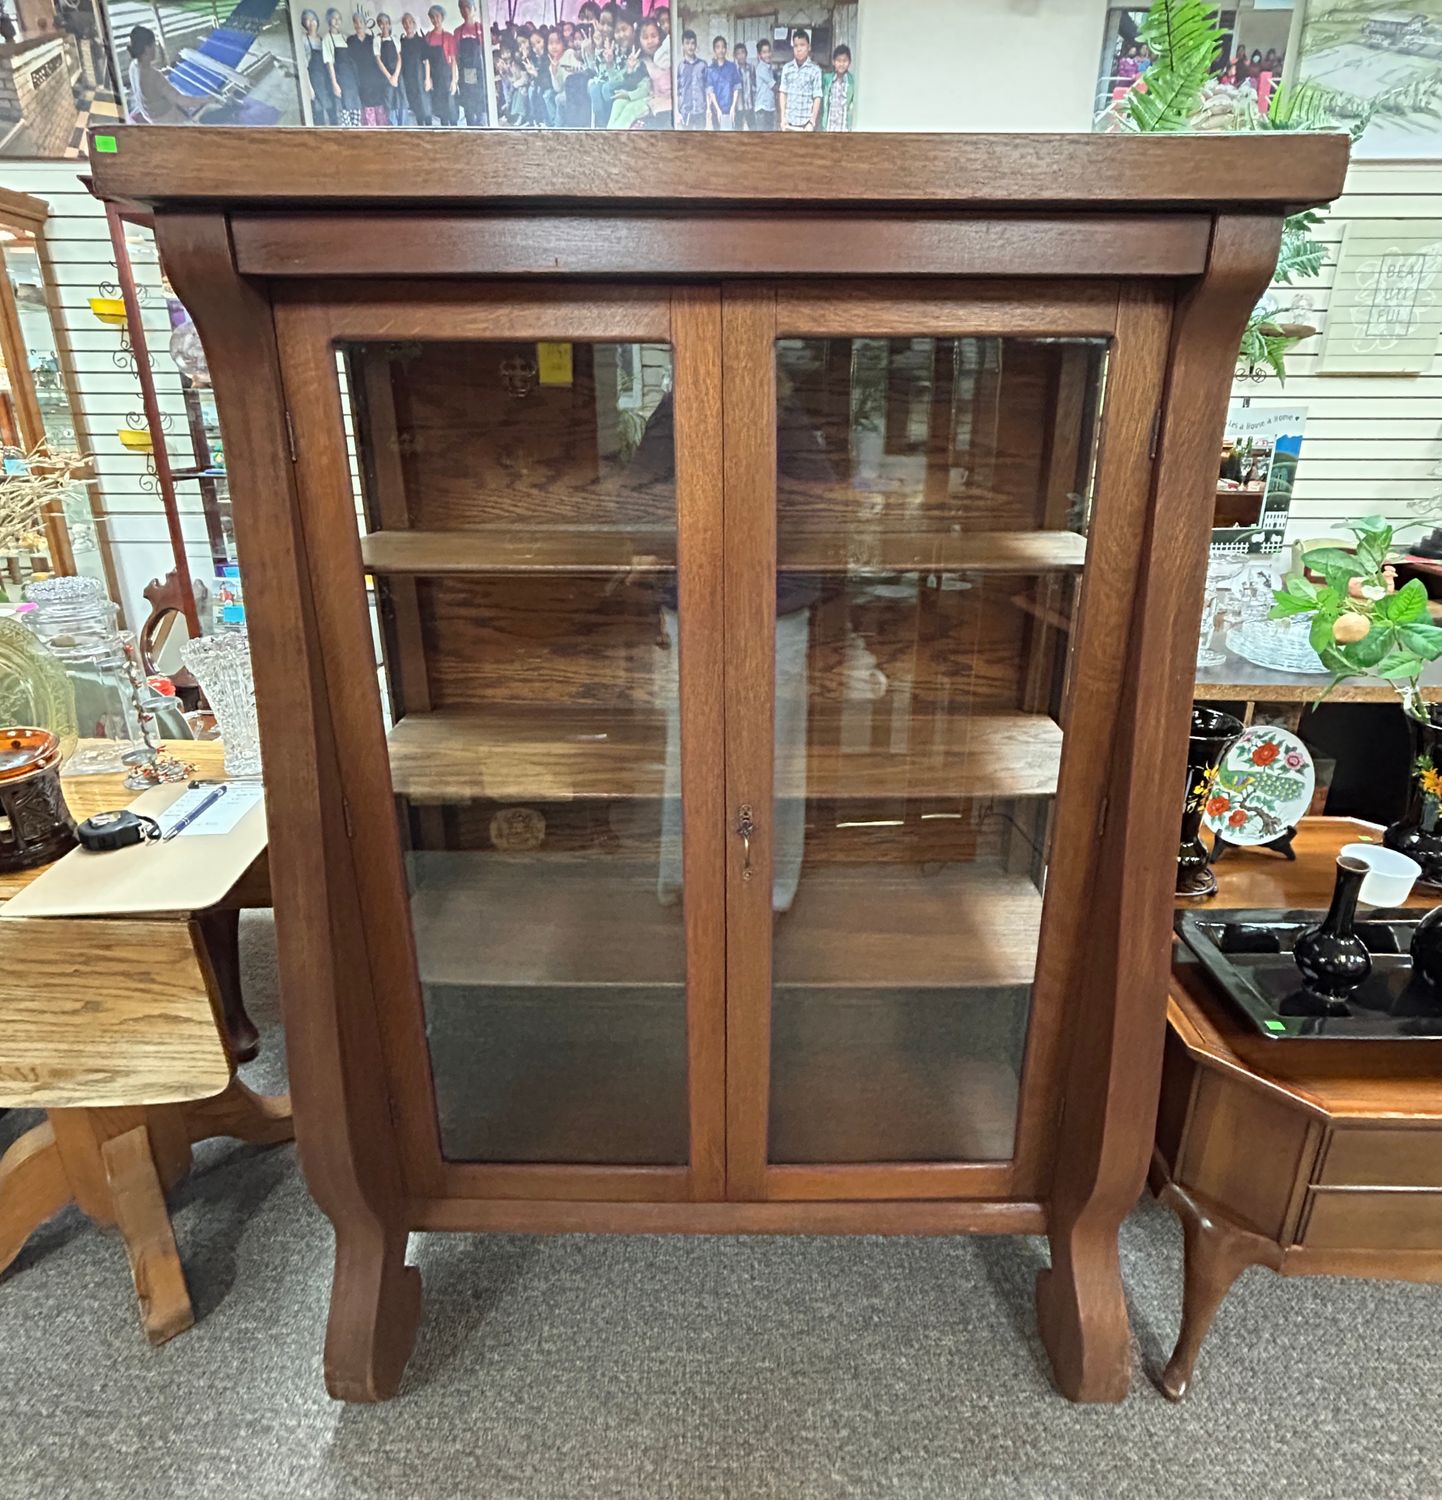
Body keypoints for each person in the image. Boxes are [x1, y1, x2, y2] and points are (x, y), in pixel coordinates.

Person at [126, 23, 203, 122]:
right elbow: (181, 100)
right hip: (166, 119)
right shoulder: (154, 76)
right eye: (154, 45)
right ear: (147, 48)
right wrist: (205, 100)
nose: (156, 48)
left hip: (150, 117)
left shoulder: (133, 66)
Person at [346, 10, 387, 126]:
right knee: (368, 115)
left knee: (380, 112)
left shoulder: (371, 39)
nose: (358, 25)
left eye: (361, 22)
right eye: (356, 22)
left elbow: (378, 59)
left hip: (375, 80)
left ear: (365, 24)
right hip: (360, 81)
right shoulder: (350, 41)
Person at [779, 27, 821, 131]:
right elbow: (783, 93)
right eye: (796, 46)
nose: (799, 49)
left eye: (802, 45)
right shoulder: (787, 68)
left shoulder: (815, 70)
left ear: (809, 47)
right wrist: (783, 118)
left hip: (805, 125)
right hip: (788, 124)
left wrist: (812, 122)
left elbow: (817, 96)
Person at [300, 9, 336, 125]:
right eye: (307, 20)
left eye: (313, 19)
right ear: (304, 23)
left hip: (326, 81)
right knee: (319, 115)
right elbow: (304, 66)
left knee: (332, 112)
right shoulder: (304, 40)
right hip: (314, 82)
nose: (311, 22)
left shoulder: (323, 40)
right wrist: (309, 88)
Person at [454, 0, 487, 125]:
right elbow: (456, 55)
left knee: (480, 103)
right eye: (462, 8)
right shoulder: (458, 32)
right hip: (466, 71)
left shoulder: (481, 29)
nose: (465, 10)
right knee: (468, 103)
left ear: (474, 9)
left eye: (468, 7)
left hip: (480, 70)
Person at [326, 8, 360, 125]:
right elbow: (329, 63)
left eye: (339, 18)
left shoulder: (345, 37)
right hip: (341, 81)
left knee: (356, 114)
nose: (337, 21)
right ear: (329, 20)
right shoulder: (327, 39)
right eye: (334, 18)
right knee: (345, 115)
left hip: (352, 80)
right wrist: (335, 84)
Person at [425, 3, 457, 124]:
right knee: (441, 112)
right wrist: (428, 79)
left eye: (437, 16)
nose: (435, 20)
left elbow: (453, 60)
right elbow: (427, 60)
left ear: (442, 17)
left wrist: (454, 81)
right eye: (432, 17)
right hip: (435, 78)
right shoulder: (428, 37)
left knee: (451, 110)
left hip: (446, 77)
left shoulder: (449, 37)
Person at [398, 11, 431, 124]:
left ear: (414, 24)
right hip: (409, 81)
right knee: (417, 111)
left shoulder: (421, 41)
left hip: (421, 79)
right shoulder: (401, 43)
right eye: (405, 23)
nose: (408, 25)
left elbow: (427, 61)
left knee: (426, 109)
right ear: (403, 25)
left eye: (410, 22)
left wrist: (427, 79)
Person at [639, 16, 671, 128]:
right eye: (645, 37)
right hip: (654, 110)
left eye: (653, 36)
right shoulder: (641, 63)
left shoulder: (668, 56)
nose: (650, 41)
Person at [705, 34, 739, 130]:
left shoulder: (732, 67)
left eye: (723, 47)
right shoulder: (710, 69)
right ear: (714, 50)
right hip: (716, 111)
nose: (721, 50)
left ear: (726, 49)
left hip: (730, 110)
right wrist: (717, 109)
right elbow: (711, 91)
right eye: (718, 47)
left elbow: (736, 88)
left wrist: (733, 107)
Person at [374, 12, 402, 124]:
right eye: (381, 23)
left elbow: (399, 58)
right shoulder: (377, 40)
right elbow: (378, 60)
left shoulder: (395, 39)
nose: (384, 25)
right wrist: (389, 77)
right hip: (385, 78)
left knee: (400, 104)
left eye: (386, 22)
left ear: (390, 24)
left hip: (397, 76)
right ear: (379, 25)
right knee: (390, 106)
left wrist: (395, 75)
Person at [819, 42, 855, 131]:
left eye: (845, 61)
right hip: (829, 125)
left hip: (844, 126)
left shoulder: (852, 81)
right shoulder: (827, 79)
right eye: (839, 61)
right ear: (833, 62)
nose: (841, 64)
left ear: (850, 62)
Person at [676, 27, 706, 129]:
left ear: (696, 45)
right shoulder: (680, 67)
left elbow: (707, 88)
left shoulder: (703, 65)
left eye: (693, 43)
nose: (690, 46)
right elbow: (677, 91)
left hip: (700, 111)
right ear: (683, 45)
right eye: (687, 43)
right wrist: (677, 112)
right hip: (685, 112)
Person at [753, 35, 776, 130]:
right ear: (759, 55)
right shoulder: (762, 68)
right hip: (762, 109)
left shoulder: (768, 68)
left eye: (769, 51)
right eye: (764, 52)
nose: (768, 55)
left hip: (769, 107)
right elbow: (774, 86)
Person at [732, 41, 754, 129]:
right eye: (738, 53)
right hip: (739, 107)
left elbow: (754, 85)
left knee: (754, 129)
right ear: (735, 56)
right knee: (738, 130)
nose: (741, 56)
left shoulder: (751, 68)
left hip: (750, 106)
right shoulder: (733, 70)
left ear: (746, 54)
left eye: (743, 52)